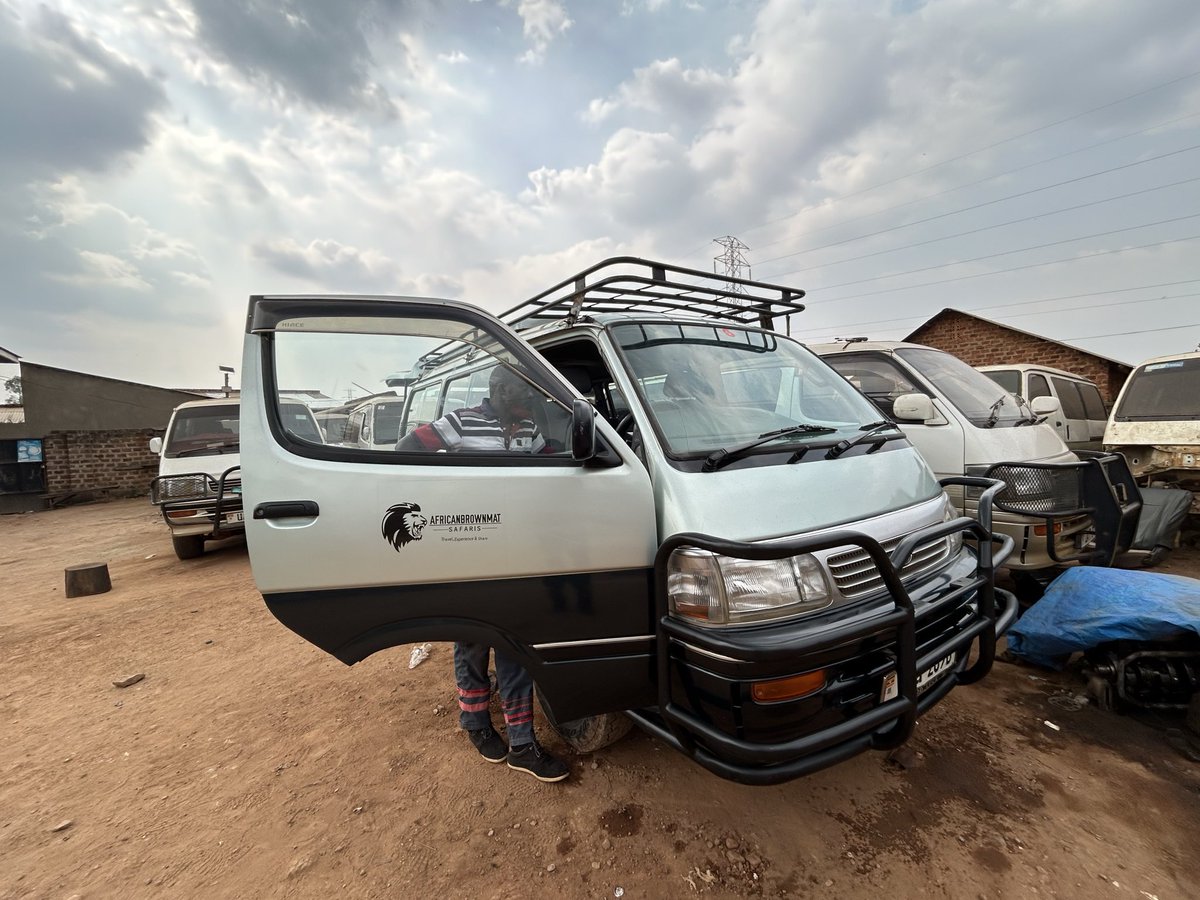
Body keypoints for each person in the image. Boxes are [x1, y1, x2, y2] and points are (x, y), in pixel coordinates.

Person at [396, 365, 570, 782]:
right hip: (472, 551)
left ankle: (522, 743)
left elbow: (547, 460)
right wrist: (445, 497)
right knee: (473, 640)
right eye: (522, 396)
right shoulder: (461, 421)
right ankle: (475, 722)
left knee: (514, 641)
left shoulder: (526, 426)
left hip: (516, 551)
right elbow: (405, 449)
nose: (529, 405)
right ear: (499, 391)